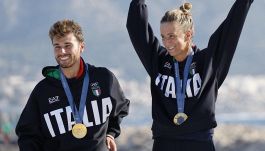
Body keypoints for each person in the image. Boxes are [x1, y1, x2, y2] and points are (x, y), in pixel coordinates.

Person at [127, 0, 253, 150]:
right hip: (164, 143)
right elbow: (135, 27)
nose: (167, 43)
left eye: (172, 36)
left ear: (188, 34)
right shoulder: (158, 60)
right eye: (163, 37)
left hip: (199, 143)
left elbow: (232, 25)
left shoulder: (209, 62)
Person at [16, 19, 130, 151]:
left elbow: (120, 109)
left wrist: (111, 134)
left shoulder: (104, 78)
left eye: (67, 45)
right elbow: (27, 134)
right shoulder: (43, 91)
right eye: (57, 46)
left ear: (82, 47)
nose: (62, 51)